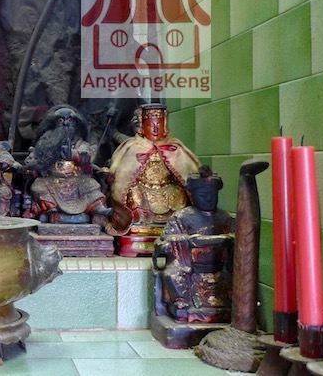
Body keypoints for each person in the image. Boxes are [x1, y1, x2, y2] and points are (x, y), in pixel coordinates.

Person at [154, 166, 235, 322]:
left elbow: (238, 237)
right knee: (172, 274)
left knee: (239, 275)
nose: (209, 198)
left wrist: (225, 240)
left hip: (221, 265)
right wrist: (187, 241)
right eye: (203, 195)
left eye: (212, 195)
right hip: (189, 265)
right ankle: (182, 305)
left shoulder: (225, 218)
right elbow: (167, 238)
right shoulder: (181, 217)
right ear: (192, 195)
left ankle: (230, 306)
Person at [106, 103, 200, 237]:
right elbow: (121, 177)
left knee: (180, 194)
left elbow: (187, 174)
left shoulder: (176, 147)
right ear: (142, 127)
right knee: (133, 194)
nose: (155, 130)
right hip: (142, 190)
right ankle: (138, 220)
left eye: (159, 125)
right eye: (151, 125)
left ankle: (174, 222)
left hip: (167, 189)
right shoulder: (131, 147)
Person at [22, 104, 112, 224]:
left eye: (70, 121)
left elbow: (88, 157)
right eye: (60, 121)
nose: (65, 124)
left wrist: (74, 155)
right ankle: (51, 210)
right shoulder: (46, 141)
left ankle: (97, 207)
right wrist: (37, 161)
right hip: (51, 179)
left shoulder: (80, 143)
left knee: (92, 185)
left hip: (77, 179)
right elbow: (34, 158)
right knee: (38, 187)